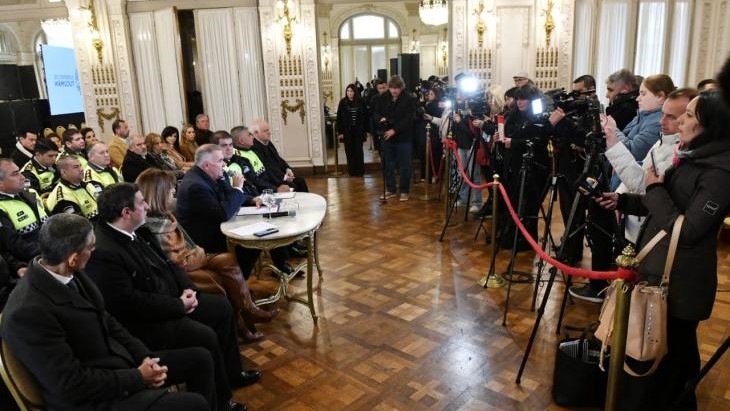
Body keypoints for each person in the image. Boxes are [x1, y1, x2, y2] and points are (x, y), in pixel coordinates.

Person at [0, 214, 217, 411]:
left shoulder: (67, 269)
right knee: (194, 404)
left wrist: (146, 358)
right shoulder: (28, 312)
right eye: (91, 247)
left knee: (200, 359)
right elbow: (69, 384)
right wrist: (138, 377)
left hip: (116, 366)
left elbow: (108, 321)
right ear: (73, 258)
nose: (95, 251)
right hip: (92, 399)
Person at [604, 90, 730, 411]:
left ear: (709, 127)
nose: (680, 122)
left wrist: (654, 188)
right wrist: (624, 200)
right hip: (663, 272)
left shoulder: (720, 173)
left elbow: (687, 231)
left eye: (688, 116)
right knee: (667, 359)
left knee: (675, 358)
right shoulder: (693, 156)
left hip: (682, 283)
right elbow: (669, 204)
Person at [85, 183, 256, 411]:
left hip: (173, 298)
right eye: (141, 203)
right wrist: (179, 305)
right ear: (126, 213)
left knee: (221, 307)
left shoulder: (139, 230)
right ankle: (220, 402)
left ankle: (233, 373)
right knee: (205, 337)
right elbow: (130, 303)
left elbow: (170, 265)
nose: (147, 206)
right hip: (148, 320)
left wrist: (189, 289)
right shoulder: (104, 252)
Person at [136, 168, 278, 342]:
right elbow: (178, 262)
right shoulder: (153, 228)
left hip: (193, 256)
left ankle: (248, 310)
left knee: (228, 259)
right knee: (221, 279)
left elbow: (189, 246)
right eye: (170, 188)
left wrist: (198, 252)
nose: (174, 191)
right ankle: (239, 325)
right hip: (182, 270)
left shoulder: (166, 216)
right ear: (158, 194)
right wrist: (199, 253)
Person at [603, 88, 697, 242]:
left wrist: (613, 143)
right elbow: (641, 172)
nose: (662, 121)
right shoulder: (663, 140)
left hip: (653, 233)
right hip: (635, 224)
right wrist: (620, 197)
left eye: (671, 117)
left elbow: (643, 186)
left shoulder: (682, 153)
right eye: (663, 114)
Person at [176, 144, 268, 278]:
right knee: (253, 242)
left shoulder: (208, 175)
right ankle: (237, 281)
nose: (224, 164)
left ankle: (239, 280)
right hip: (205, 241)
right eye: (220, 161)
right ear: (206, 165)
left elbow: (228, 195)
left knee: (256, 234)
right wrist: (237, 189)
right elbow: (222, 214)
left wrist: (252, 200)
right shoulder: (196, 186)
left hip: (217, 227)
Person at [373, 75, 416, 201]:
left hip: (403, 137)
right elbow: (375, 112)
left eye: (396, 88)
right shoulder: (383, 97)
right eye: (392, 88)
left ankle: (404, 191)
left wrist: (395, 130)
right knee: (388, 164)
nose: (394, 90)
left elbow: (409, 119)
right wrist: (380, 118)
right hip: (387, 136)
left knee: (405, 165)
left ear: (401, 88)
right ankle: (391, 189)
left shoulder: (408, 99)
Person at [0, 158, 46, 263]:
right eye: (15, 174)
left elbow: (52, 221)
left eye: (19, 172)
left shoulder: (31, 193)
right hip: (35, 260)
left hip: (52, 249)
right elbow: (15, 246)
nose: (23, 177)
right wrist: (52, 250)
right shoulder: (1, 207)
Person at [250, 119, 309, 192]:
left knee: (300, 180)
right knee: (293, 185)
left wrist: (287, 169)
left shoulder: (267, 142)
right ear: (256, 133)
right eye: (265, 131)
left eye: (268, 130)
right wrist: (284, 177)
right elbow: (267, 168)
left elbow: (278, 158)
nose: (269, 133)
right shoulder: (254, 147)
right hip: (272, 179)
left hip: (279, 175)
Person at [230, 125, 289, 193]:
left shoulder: (252, 149)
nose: (253, 137)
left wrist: (280, 183)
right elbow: (254, 180)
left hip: (270, 186)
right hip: (261, 192)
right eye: (249, 135)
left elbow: (267, 169)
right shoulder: (238, 157)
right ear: (242, 141)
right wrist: (276, 189)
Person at [45, 156, 99, 220]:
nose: (81, 169)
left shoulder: (87, 184)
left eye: (80, 166)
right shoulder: (63, 197)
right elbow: (77, 223)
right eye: (76, 167)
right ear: (64, 172)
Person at [336, 83, 366, 176]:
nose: (349, 93)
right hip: (347, 131)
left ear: (355, 92)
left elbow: (365, 116)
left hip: (358, 130)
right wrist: (340, 132)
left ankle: (360, 170)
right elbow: (339, 118)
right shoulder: (343, 102)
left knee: (358, 151)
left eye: (351, 91)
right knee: (349, 151)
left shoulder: (360, 101)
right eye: (348, 91)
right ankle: (352, 171)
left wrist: (366, 130)